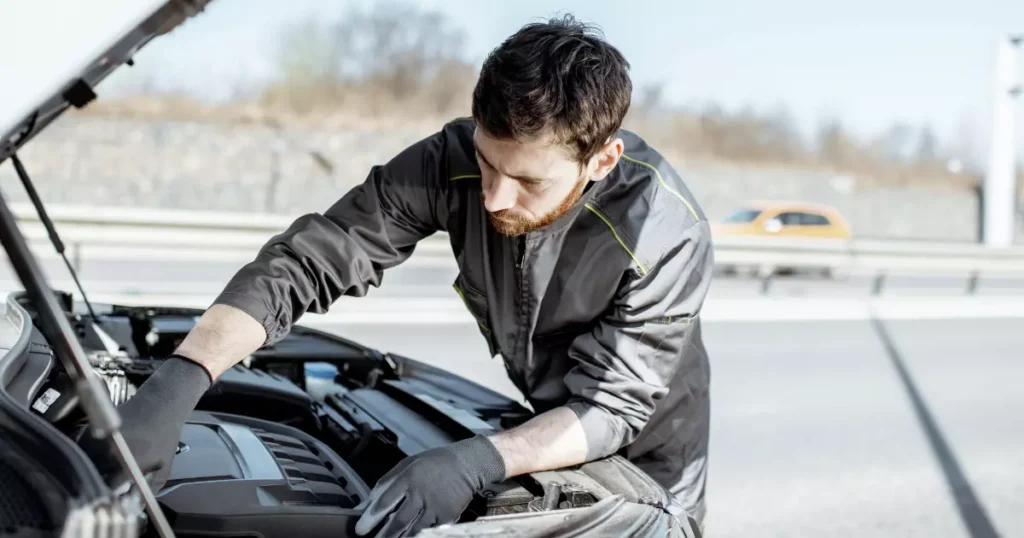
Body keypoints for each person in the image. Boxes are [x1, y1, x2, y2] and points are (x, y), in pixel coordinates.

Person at [80, 14, 714, 537]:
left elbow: (610, 408)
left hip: (645, 476)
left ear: (601, 159)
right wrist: (181, 379)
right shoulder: (451, 159)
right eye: (488, 163)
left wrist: (477, 461)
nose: (493, 198)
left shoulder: (660, 231)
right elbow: (312, 257)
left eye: (526, 181)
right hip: (545, 425)